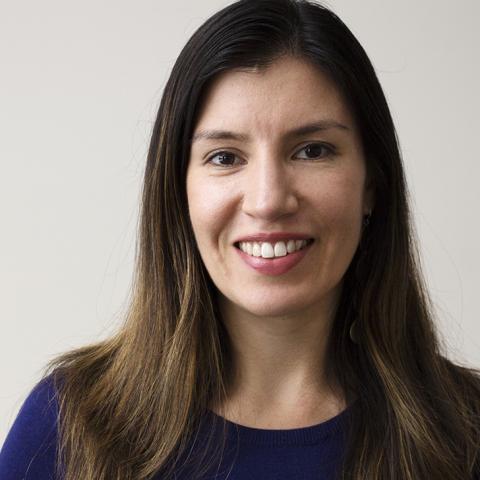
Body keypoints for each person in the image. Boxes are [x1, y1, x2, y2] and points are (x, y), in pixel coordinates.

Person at [1, 0, 479, 478]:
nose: (268, 201)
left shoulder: (467, 431)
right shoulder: (69, 426)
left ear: (371, 185)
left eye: (312, 150)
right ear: (178, 190)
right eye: (225, 157)